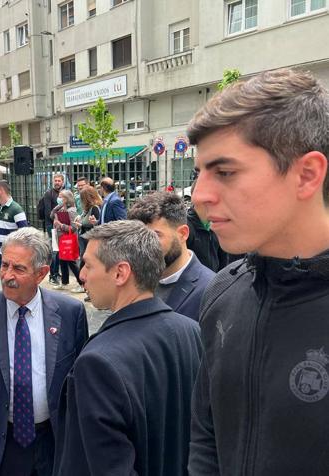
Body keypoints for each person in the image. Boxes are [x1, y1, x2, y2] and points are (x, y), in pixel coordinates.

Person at [187, 69, 329, 475]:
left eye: (225, 172)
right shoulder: (221, 296)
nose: (199, 196)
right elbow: (206, 437)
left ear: (306, 174)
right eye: (200, 173)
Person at [54, 220, 202, 476]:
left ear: (121, 273)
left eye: (88, 265)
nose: (82, 275)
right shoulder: (191, 331)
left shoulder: (97, 362)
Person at [0, 227, 88, 476]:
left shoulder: (70, 313)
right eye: (4, 265)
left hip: (53, 439)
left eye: (19, 269)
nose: (7, 275)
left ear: (41, 273)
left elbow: (77, 376)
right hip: (3, 442)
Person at [128, 192, 215, 321]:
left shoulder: (211, 290)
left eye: (154, 236)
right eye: (139, 238)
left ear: (183, 234)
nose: (144, 245)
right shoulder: (135, 281)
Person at [50, 190, 84, 293]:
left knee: (70, 261)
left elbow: (73, 228)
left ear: (67, 199)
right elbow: (51, 215)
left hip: (67, 239)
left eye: (61, 197)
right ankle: (65, 282)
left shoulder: (71, 211)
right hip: (61, 238)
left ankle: (81, 284)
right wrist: (58, 206)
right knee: (62, 260)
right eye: (59, 197)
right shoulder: (62, 208)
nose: (59, 199)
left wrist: (60, 225)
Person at [0, 180, 29, 270]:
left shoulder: (16, 209)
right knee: (4, 282)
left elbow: (25, 233)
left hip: (12, 255)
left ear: (1, 190)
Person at [37, 174, 64, 285]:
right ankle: (52, 275)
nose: (57, 182)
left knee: (59, 251)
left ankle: (57, 273)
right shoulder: (49, 193)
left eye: (59, 181)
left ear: (63, 182)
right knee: (55, 251)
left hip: (61, 226)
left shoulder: (63, 193)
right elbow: (48, 213)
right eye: (55, 180)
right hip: (51, 226)